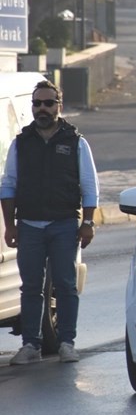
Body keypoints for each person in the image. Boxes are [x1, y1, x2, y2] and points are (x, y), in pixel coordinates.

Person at [2, 80, 99, 365]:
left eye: (47, 103)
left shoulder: (76, 142)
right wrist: (10, 225)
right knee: (31, 287)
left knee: (65, 285)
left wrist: (88, 223)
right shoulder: (21, 143)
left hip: (64, 225)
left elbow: (90, 186)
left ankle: (67, 343)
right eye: (37, 104)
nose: (41, 109)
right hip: (30, 226)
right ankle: (30, 344)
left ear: (59, 105)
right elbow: (8, 185)